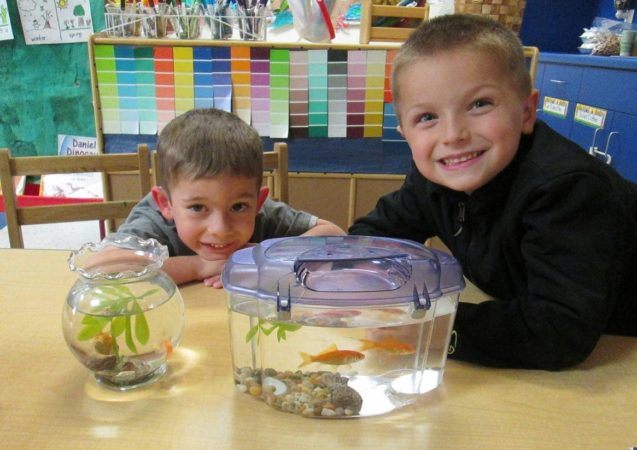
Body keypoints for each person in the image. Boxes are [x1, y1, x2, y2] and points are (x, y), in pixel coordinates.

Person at [349, 14, 637, 370]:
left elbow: (559, 333)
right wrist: (349, 278)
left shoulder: (568, 190)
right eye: (426, 118)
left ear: (526, 112)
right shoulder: (433, 180)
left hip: (619, 347)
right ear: (405, 132)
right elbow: (373, 237)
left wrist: (425, 325)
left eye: (479, 105)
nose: (453, 134)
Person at [118, 108, 345, 287]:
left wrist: (265, 256)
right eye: (198, 208)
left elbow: (335, 237)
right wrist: (200, 266)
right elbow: (106, 266)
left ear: (258, 202)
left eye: (237, 207)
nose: (220, 229)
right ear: (165, 204)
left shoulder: (265, 213)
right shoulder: (154, 219)